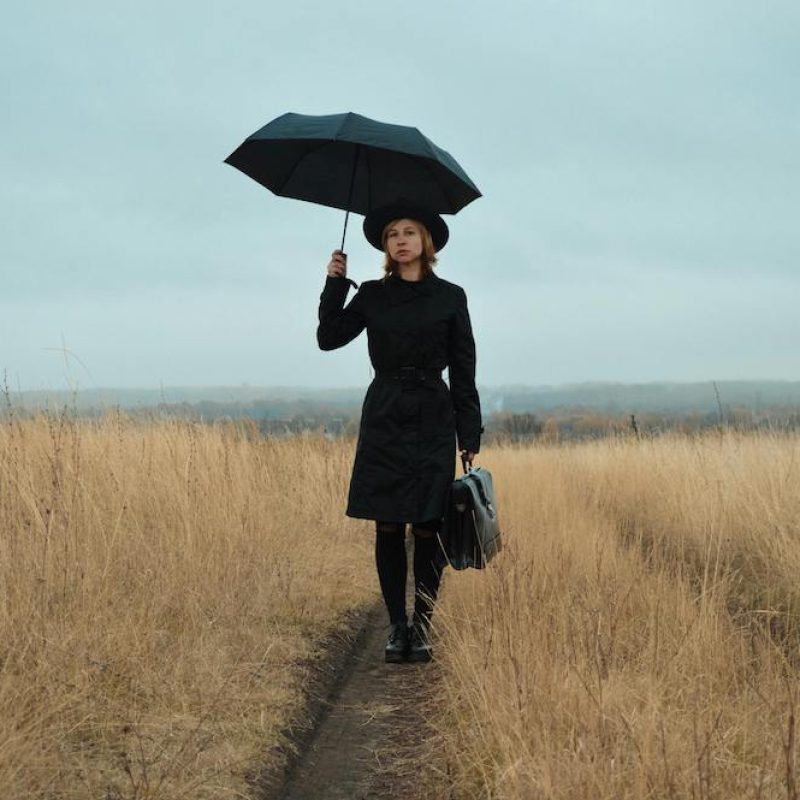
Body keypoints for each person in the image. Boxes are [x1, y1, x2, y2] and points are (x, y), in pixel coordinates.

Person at [317, 201, 483, 663]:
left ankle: (422, 625)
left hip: (433, 413)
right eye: (392, 234)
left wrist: (469, 433)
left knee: (429, 524)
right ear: (385, 246)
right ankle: (396, 626)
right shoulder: (372, 294)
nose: (401, 240)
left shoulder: (451, 297)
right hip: (386, 412)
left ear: (426, 241)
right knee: (388, 522)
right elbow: (328, 338)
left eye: (409, 232)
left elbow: (464, 369)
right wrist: (335, 283)